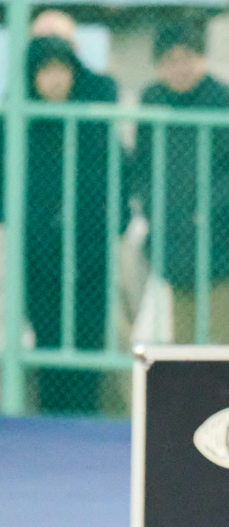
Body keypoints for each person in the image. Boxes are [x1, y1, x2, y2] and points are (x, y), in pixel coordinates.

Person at [2, 36, 120, 411]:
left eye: (61, 70)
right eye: (45, 71)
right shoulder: (18, 123)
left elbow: (117, 175)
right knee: (47, 331)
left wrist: (111, 224)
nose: (54, 80)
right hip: (37, 250)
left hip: (88, 247)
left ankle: (86, 415)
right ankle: (51, 416)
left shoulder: (92, 120)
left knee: (89, 333)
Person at [128, 22, 229, 346]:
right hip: (175, 238)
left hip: (219, 238)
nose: (180, 68)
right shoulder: (153, 99)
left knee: (227, 334)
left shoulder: (227, 103)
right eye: (170, 60)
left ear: (202, 58)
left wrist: (209, 207)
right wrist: (154, 206)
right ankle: (194, 396)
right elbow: (142, 163)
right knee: (184, 338)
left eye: (187, 58)